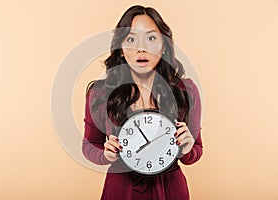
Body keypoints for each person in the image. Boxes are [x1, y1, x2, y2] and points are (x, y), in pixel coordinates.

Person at [82, 5, 203, 200]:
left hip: (170, 189)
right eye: (131, 39)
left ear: (164, 46)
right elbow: (90, 145)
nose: (141, 48)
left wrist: (188, 149)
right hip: (121, 189)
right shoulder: (100, 92)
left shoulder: (186, 90)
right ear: (120, 49)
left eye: (151, 38)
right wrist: (106, 155)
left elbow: (197, 149)